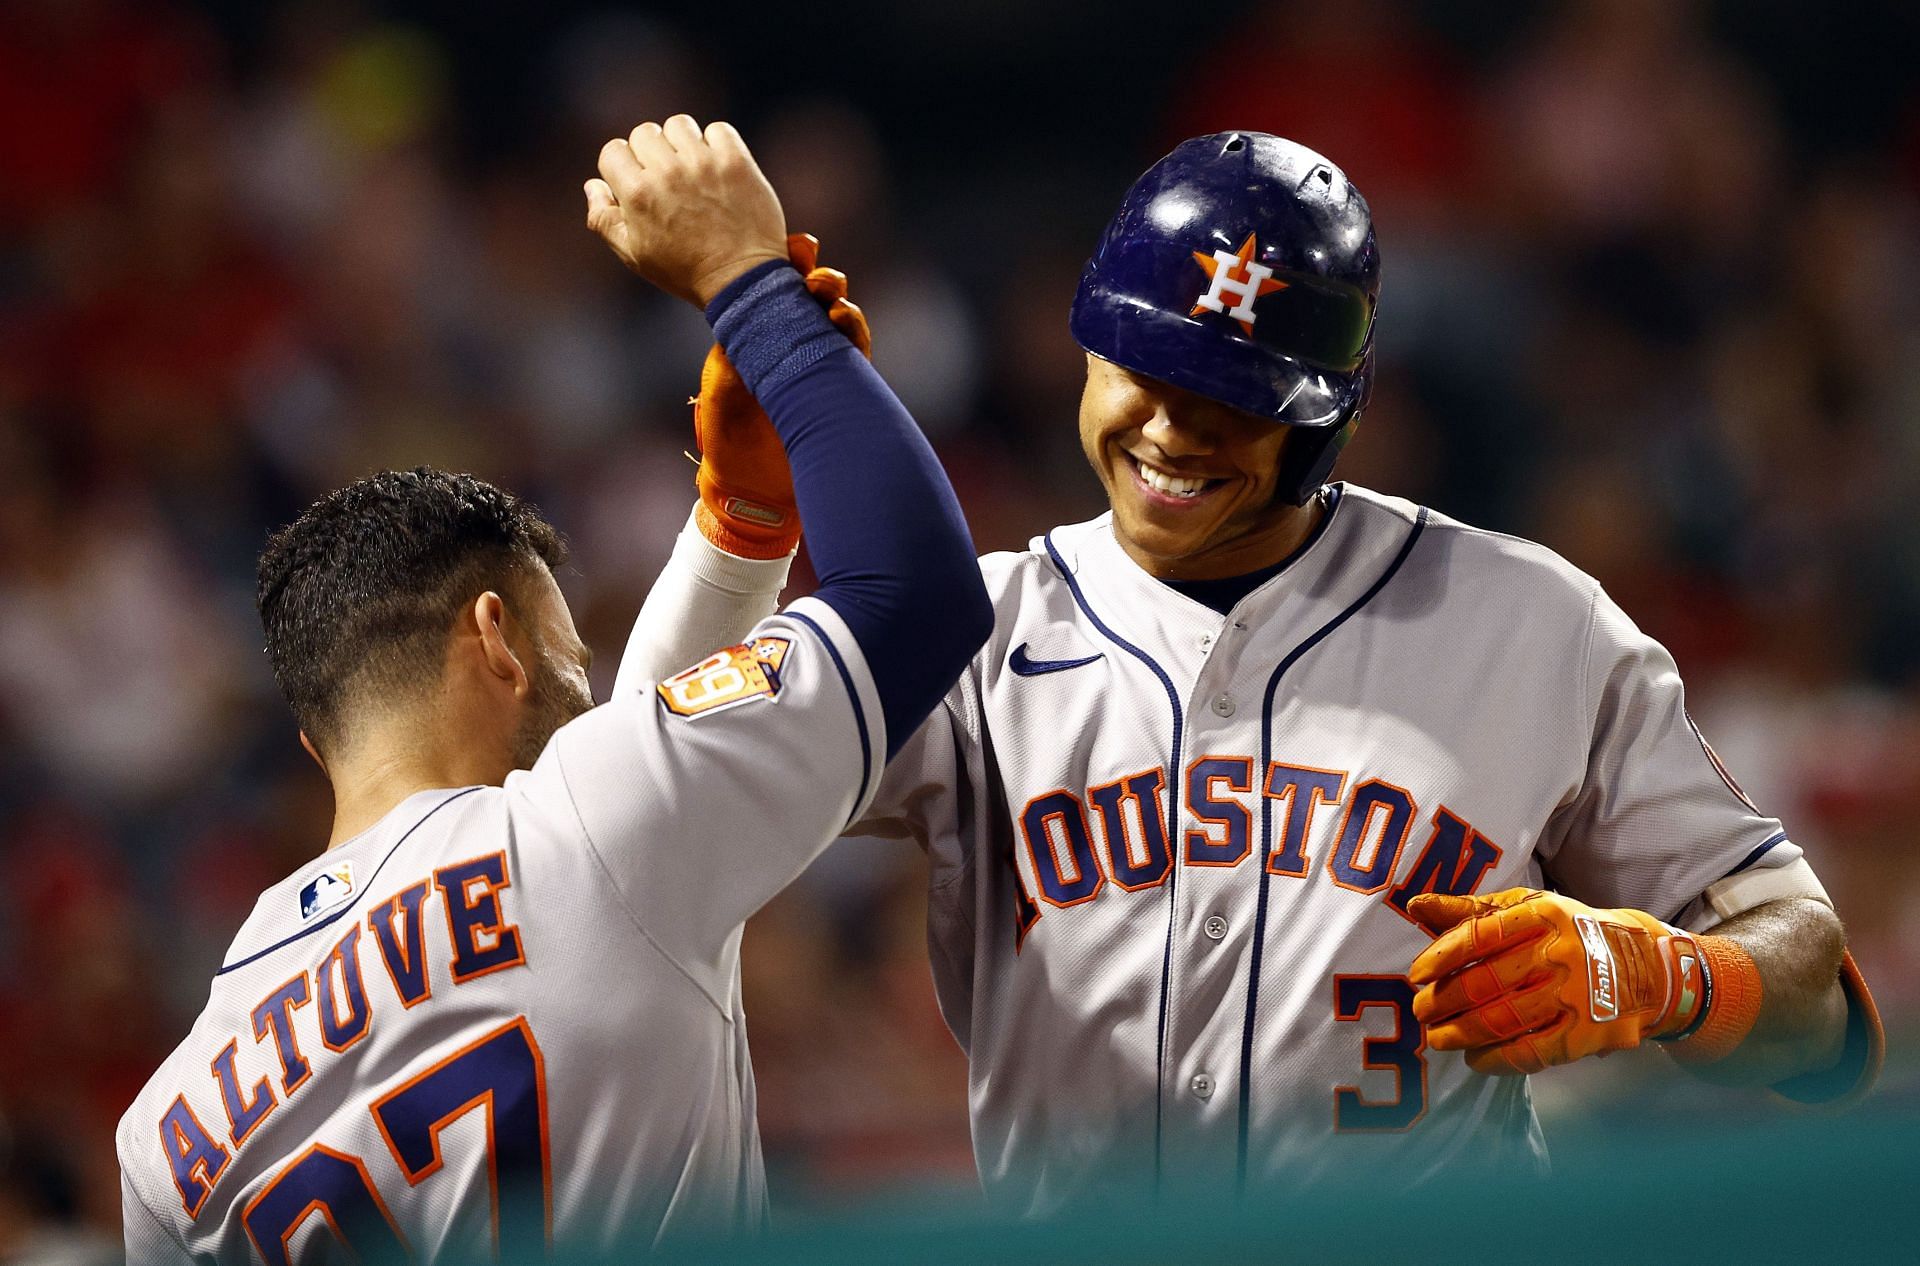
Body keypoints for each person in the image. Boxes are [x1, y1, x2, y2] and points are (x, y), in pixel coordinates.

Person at [633, 132, 1884, 1213]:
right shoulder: (977, 626)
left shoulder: (1529, 622)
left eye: (1231, 399)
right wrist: (744, 527)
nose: (1173, 431)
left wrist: (1654, 975)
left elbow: (1821, 1009)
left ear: (1332, 414)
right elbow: (633, 817)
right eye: (1144, 371)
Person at [115, 114, 992, 1260]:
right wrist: (752, 285)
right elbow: (917, 594)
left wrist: (739, 534)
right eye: (573, 655)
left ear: (323, 745)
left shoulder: (161, 1135)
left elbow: (621, 782)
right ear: (496, 638)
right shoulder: (585, 838)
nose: (596, 693)